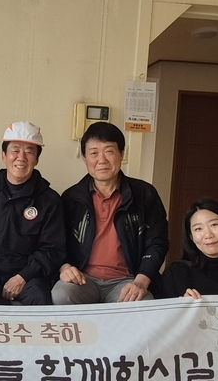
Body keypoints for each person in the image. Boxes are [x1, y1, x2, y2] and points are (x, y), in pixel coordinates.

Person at [51, 121, 168, 304]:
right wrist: (64, 268)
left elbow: (157, 242)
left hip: (127, 280)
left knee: (142, 304)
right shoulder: (72, 198)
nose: (102, 160)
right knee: (61, 294)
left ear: (122, 154)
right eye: (94, 153)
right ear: (84, 158)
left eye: (109, 151)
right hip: (83, 279)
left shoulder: (144, 194)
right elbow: (55, 242)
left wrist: (141, 281)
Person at [0, 121, 65, 305]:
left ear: (37, 159)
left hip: (28, 274)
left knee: (39, 300)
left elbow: (52, 249)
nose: (21, 157)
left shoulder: (49, 200)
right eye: (15, 150)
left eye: (29, 152)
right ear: (3, 155)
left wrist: (23, 277)